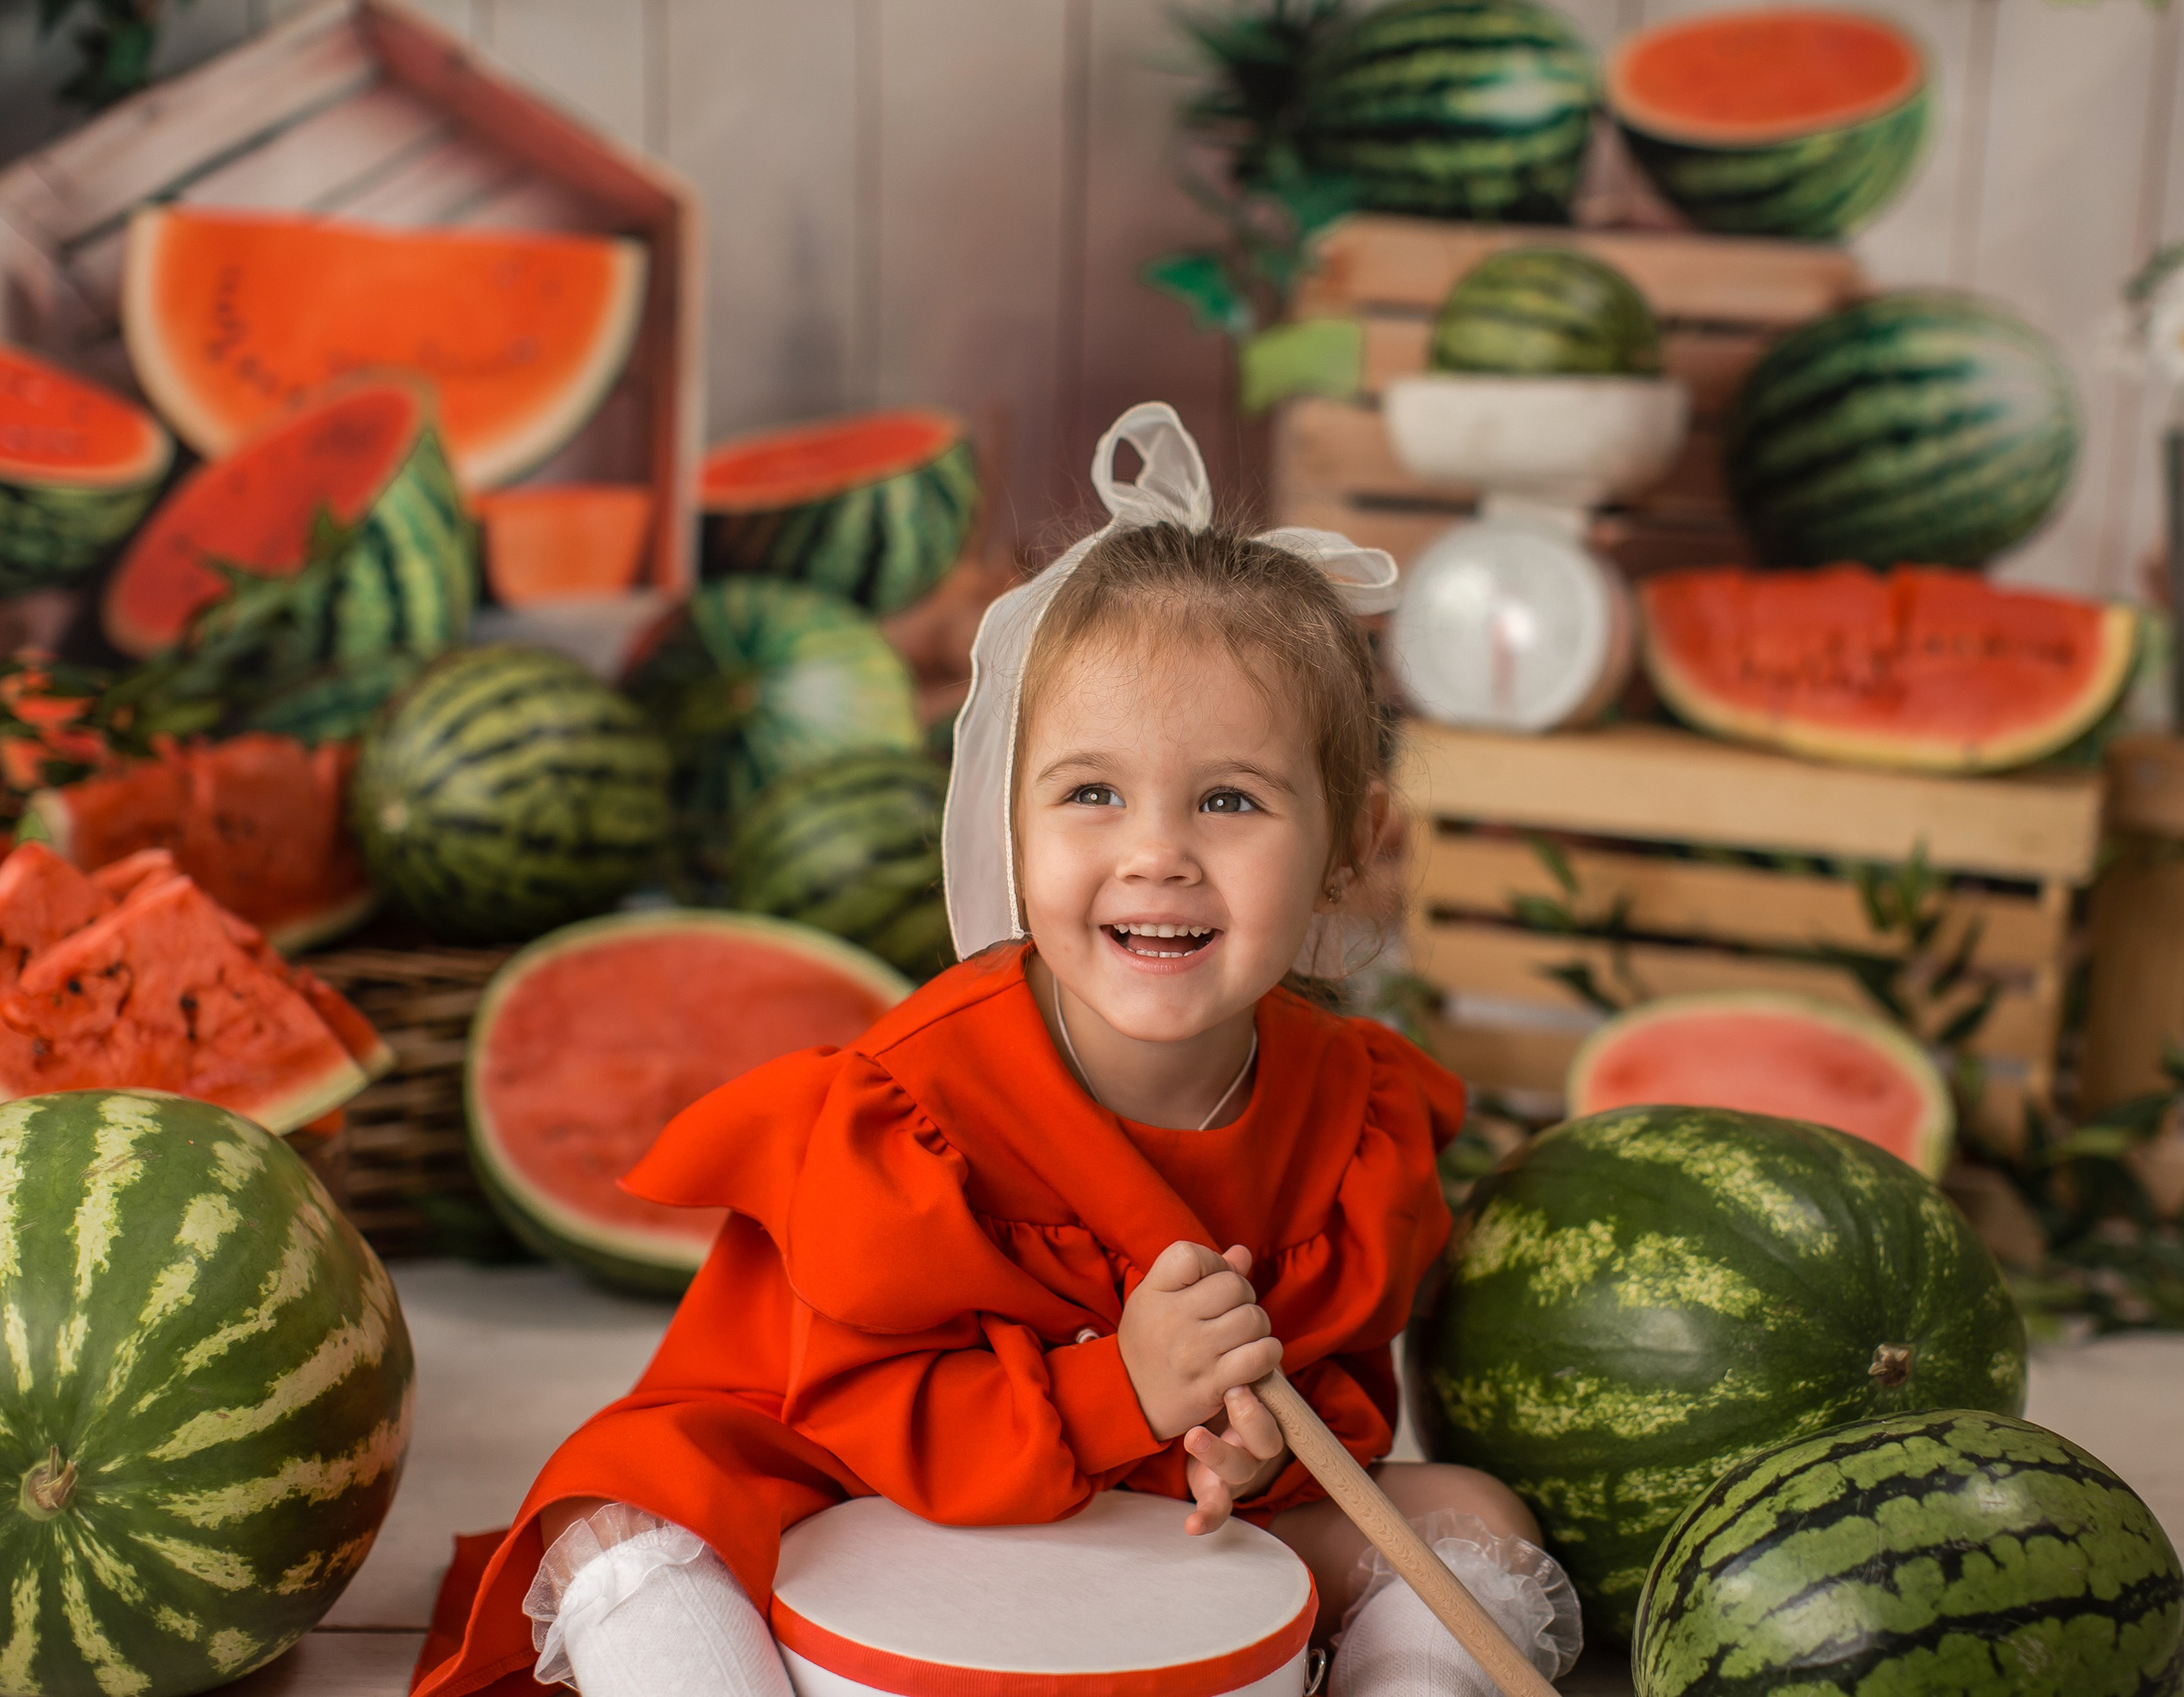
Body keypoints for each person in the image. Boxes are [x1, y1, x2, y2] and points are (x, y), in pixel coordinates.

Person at [411, 405, 1583, 1697]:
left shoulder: (1354, 1116)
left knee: (1465, 1512)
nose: (1156, 852)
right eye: (1091, 793)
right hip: (850, 1489)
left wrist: (1250, 1456)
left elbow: (1340, 1403)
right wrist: (1119, 1394)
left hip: (1152, 1523)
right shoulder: (917, 1102)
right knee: (617, 1526)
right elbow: (857, 1407)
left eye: (1230, 799)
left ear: (1351, 841)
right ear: (1010, 818)